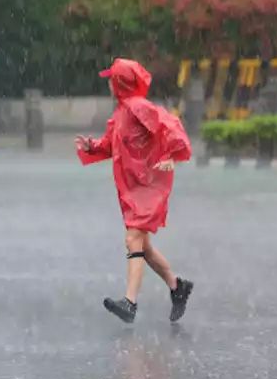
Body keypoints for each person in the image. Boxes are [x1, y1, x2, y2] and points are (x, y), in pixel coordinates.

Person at [77, 58, 195, 324]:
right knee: (144, 246)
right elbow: (111, 144)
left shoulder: (139, 108)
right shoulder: (122, 112)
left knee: (133, 239)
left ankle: (130, 303)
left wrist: (174, 154)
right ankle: (178, 287)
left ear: (120, 82)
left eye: (112, 78)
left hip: (150, 183)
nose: (108, 83)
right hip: (134, 186)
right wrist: (91, 146)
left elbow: (170, 125)